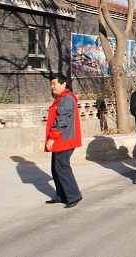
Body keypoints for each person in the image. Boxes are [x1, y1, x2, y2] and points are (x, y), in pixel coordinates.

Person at [44, 74, 83, 208]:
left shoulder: (66, 99)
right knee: (56, 168)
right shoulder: (61, 98)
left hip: (64, 138)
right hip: (60, 138)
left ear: (63, 84)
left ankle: (74, 195)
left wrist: (52, 137)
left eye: (54, 84)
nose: (52, 86)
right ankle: (61, 195)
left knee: (62, 167)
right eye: (51, 84)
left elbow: (62, 120)